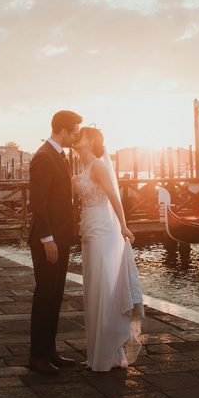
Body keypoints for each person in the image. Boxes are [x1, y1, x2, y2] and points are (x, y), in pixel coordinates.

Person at [73, 127, 143, 371]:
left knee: (103, 288)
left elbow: (114, 197)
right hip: (89, 231)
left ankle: (107, 353)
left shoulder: (99, 167)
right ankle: (96, 354)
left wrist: (123, 226)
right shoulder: (83, 169)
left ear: (90, 141)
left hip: (104, 230)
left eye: (80, 135)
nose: (75, 138)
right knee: (92, 289)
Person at [27, 109, 83, 375]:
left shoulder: (58, 156)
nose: (76, 137)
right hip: (48, 240)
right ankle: (37, 357)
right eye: (74, 132)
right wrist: (47, 238)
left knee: (56, 296)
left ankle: (49, 351)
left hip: (61, 237)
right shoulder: (44, 158)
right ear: (62, 131)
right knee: (45, 296)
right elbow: (38, 204)